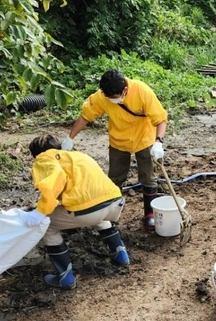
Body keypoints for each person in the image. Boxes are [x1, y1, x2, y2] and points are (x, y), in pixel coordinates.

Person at [62, 69, 168, 231]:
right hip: (119, 141)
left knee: (148, 177)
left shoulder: (142, 91)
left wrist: (158, 142)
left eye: (114, 97)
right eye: (108, 97)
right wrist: (70, 138)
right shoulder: (102, 96)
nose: (111, 100)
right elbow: (86, 116)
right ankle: (111, 215)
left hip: (144, 139)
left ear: (124, 90)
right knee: (115, 179)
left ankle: (149, 214)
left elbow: (160, 118)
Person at [23, 134, 130, 290]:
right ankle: (121, 255)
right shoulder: (77, 155)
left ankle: (65, 277)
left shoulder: (44, 158)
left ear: (36, 154)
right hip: (114, 204)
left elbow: (55, 181)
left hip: (87, 212)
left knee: (47, 225)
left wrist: (40, 211)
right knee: (98, 216)